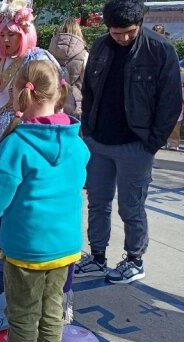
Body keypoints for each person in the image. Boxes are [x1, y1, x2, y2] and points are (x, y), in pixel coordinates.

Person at [0, 60, 90, 342]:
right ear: (59, 94)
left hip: (27, 248)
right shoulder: (77, 143)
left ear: (18, 93)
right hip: (66, 245)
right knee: (53, 311)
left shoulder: (17, 145)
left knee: (23, 315)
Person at [76, 0, 181, 284]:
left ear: (140, 24)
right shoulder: (99, 47)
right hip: (99, 140)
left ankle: (134, 260)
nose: (122, 38)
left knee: (131, 206)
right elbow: (88, 92)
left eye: (129, 32)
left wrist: (152, 143)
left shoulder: (159, 49)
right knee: (97, 202)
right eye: (116, 32)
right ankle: (97, 256)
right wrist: (87, 130)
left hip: (136, 144)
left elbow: (171, 102)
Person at [0, 1, 59, 188]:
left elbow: (50, 94)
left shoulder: (36, 58)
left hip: (20, 130)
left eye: (11, 34)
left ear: (25, 33)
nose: (5, 40)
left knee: (13, 184)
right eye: (2, 34)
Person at [48, 17, 89, 117]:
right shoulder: (84, 54)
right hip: (75, 103)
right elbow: (87, 82)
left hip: (51, 99)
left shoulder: (49, 51)